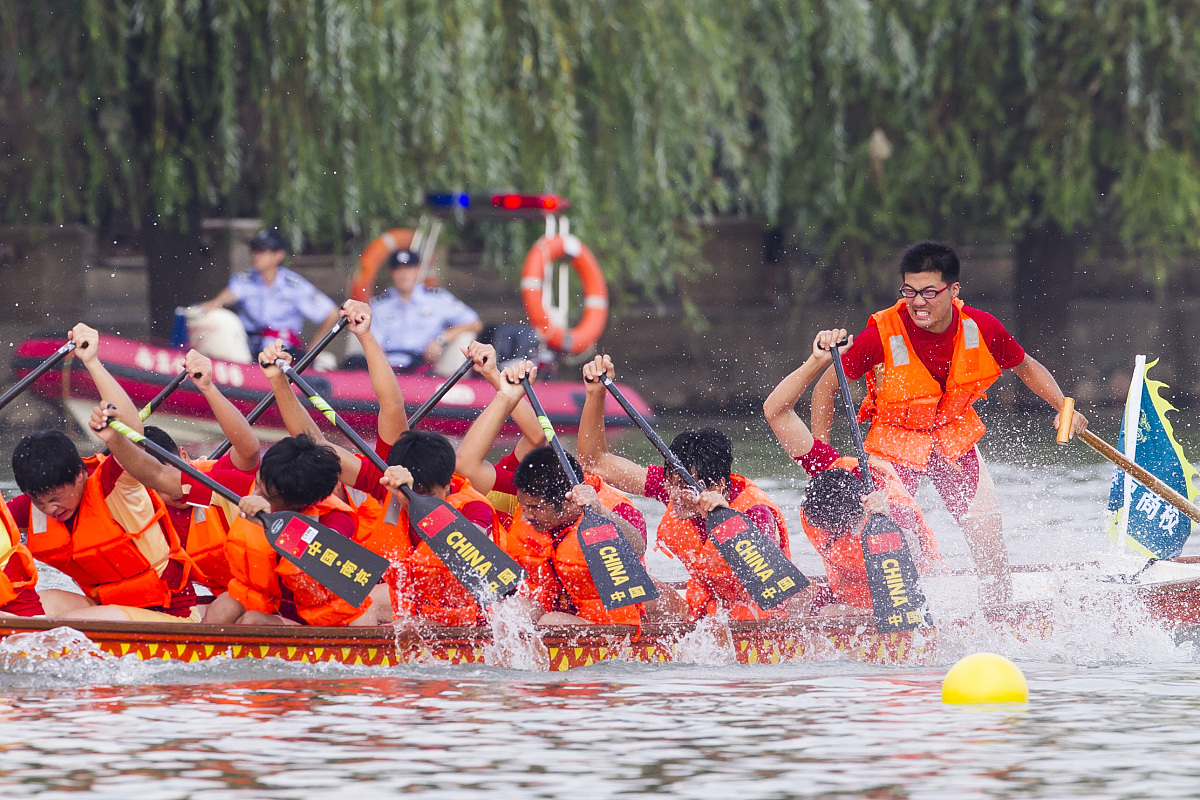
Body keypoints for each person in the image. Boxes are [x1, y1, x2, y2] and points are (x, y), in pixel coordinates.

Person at [810, 241, 1088, 605]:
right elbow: (825, 388)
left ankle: (1000, 612)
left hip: (953, 440)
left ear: (953, 290)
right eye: (909, 291)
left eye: (929, 292)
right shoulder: (882, 333)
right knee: (891, 539)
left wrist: (1064, 406)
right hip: (896, 444)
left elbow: (1026, 366)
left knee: (989, 539)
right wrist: (823, 465)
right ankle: (875, 608)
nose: (917, 302)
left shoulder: (981, 326)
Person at [257, 313, 501, 627]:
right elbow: (319, 445)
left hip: (461, 618)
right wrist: (279, 380)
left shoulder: (473, 509)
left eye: (422, 494)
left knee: (372, 606)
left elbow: (467, 567)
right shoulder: (386, 485)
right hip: (401, 612)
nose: (410, 499)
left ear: (447, 487)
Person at [576, 355, 793, 622]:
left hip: (758, 616)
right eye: (671, 483)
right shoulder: (673, 487)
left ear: (718, 486)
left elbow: (767, 582)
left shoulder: (757, 514)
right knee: (644, 586)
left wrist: (730, 523)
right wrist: (595, 393)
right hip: (707, 608)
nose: (674, 494)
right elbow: (595, 462)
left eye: (684, 487)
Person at [6, 324, 199, 622]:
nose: (48, 508)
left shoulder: (113, 483)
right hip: (103, 608)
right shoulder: (34, 505)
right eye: (40, 501)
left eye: (55, 497)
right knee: (19, 608)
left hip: (171, 614)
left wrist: (92, 361)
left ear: (79, 475)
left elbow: (134, 433)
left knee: (93, 620)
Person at [764, 329, 943, 615]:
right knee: (793, 601)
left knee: (834, 615)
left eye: (834, 529)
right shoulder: (827, 472)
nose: (825, 533)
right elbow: (776, 412)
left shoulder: (896, 513)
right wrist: (815, 361)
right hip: (843, 591)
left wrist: (888, 521)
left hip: (892, 598)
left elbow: (918, 562)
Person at [90, 349, 261, 596]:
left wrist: (208, 388)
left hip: (260, 590)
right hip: (225, 596)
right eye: (156, 487)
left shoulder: (214, 479)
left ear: (183, 456)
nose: (169, 493)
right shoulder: (142, 508)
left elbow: (249, 451)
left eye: (168, 477)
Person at [208, 434, 382, 626]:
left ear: (300, 503)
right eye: (258, 483)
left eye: (267, 496)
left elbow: (330, 559)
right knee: (223, 606)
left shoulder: (336, 519)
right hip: (267, 603)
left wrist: (273, 524)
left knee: (253, 621)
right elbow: (181, 483)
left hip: (314, 622)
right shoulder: (265, 479)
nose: (256, 494)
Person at [200, 227, 340, 356]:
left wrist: (312, 352)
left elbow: (331, 313)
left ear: (279, 255)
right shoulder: (244, 279)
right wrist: (216, 302)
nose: (256, 255)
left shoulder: (294, 285)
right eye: (254, 249)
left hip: (283, 351)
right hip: (249, 350)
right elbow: (232, 293)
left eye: (262, 250)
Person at [368, 248, 482, 374]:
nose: (404, 274)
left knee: (465, 337)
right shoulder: (379, 304)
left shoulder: (437, 299)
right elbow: (374, 344)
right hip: (388, 368)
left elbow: (475, 323)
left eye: (409, 269)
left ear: (418, 270)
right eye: (399, 269)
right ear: (391, 272)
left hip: (426, 368)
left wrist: (441, 339)